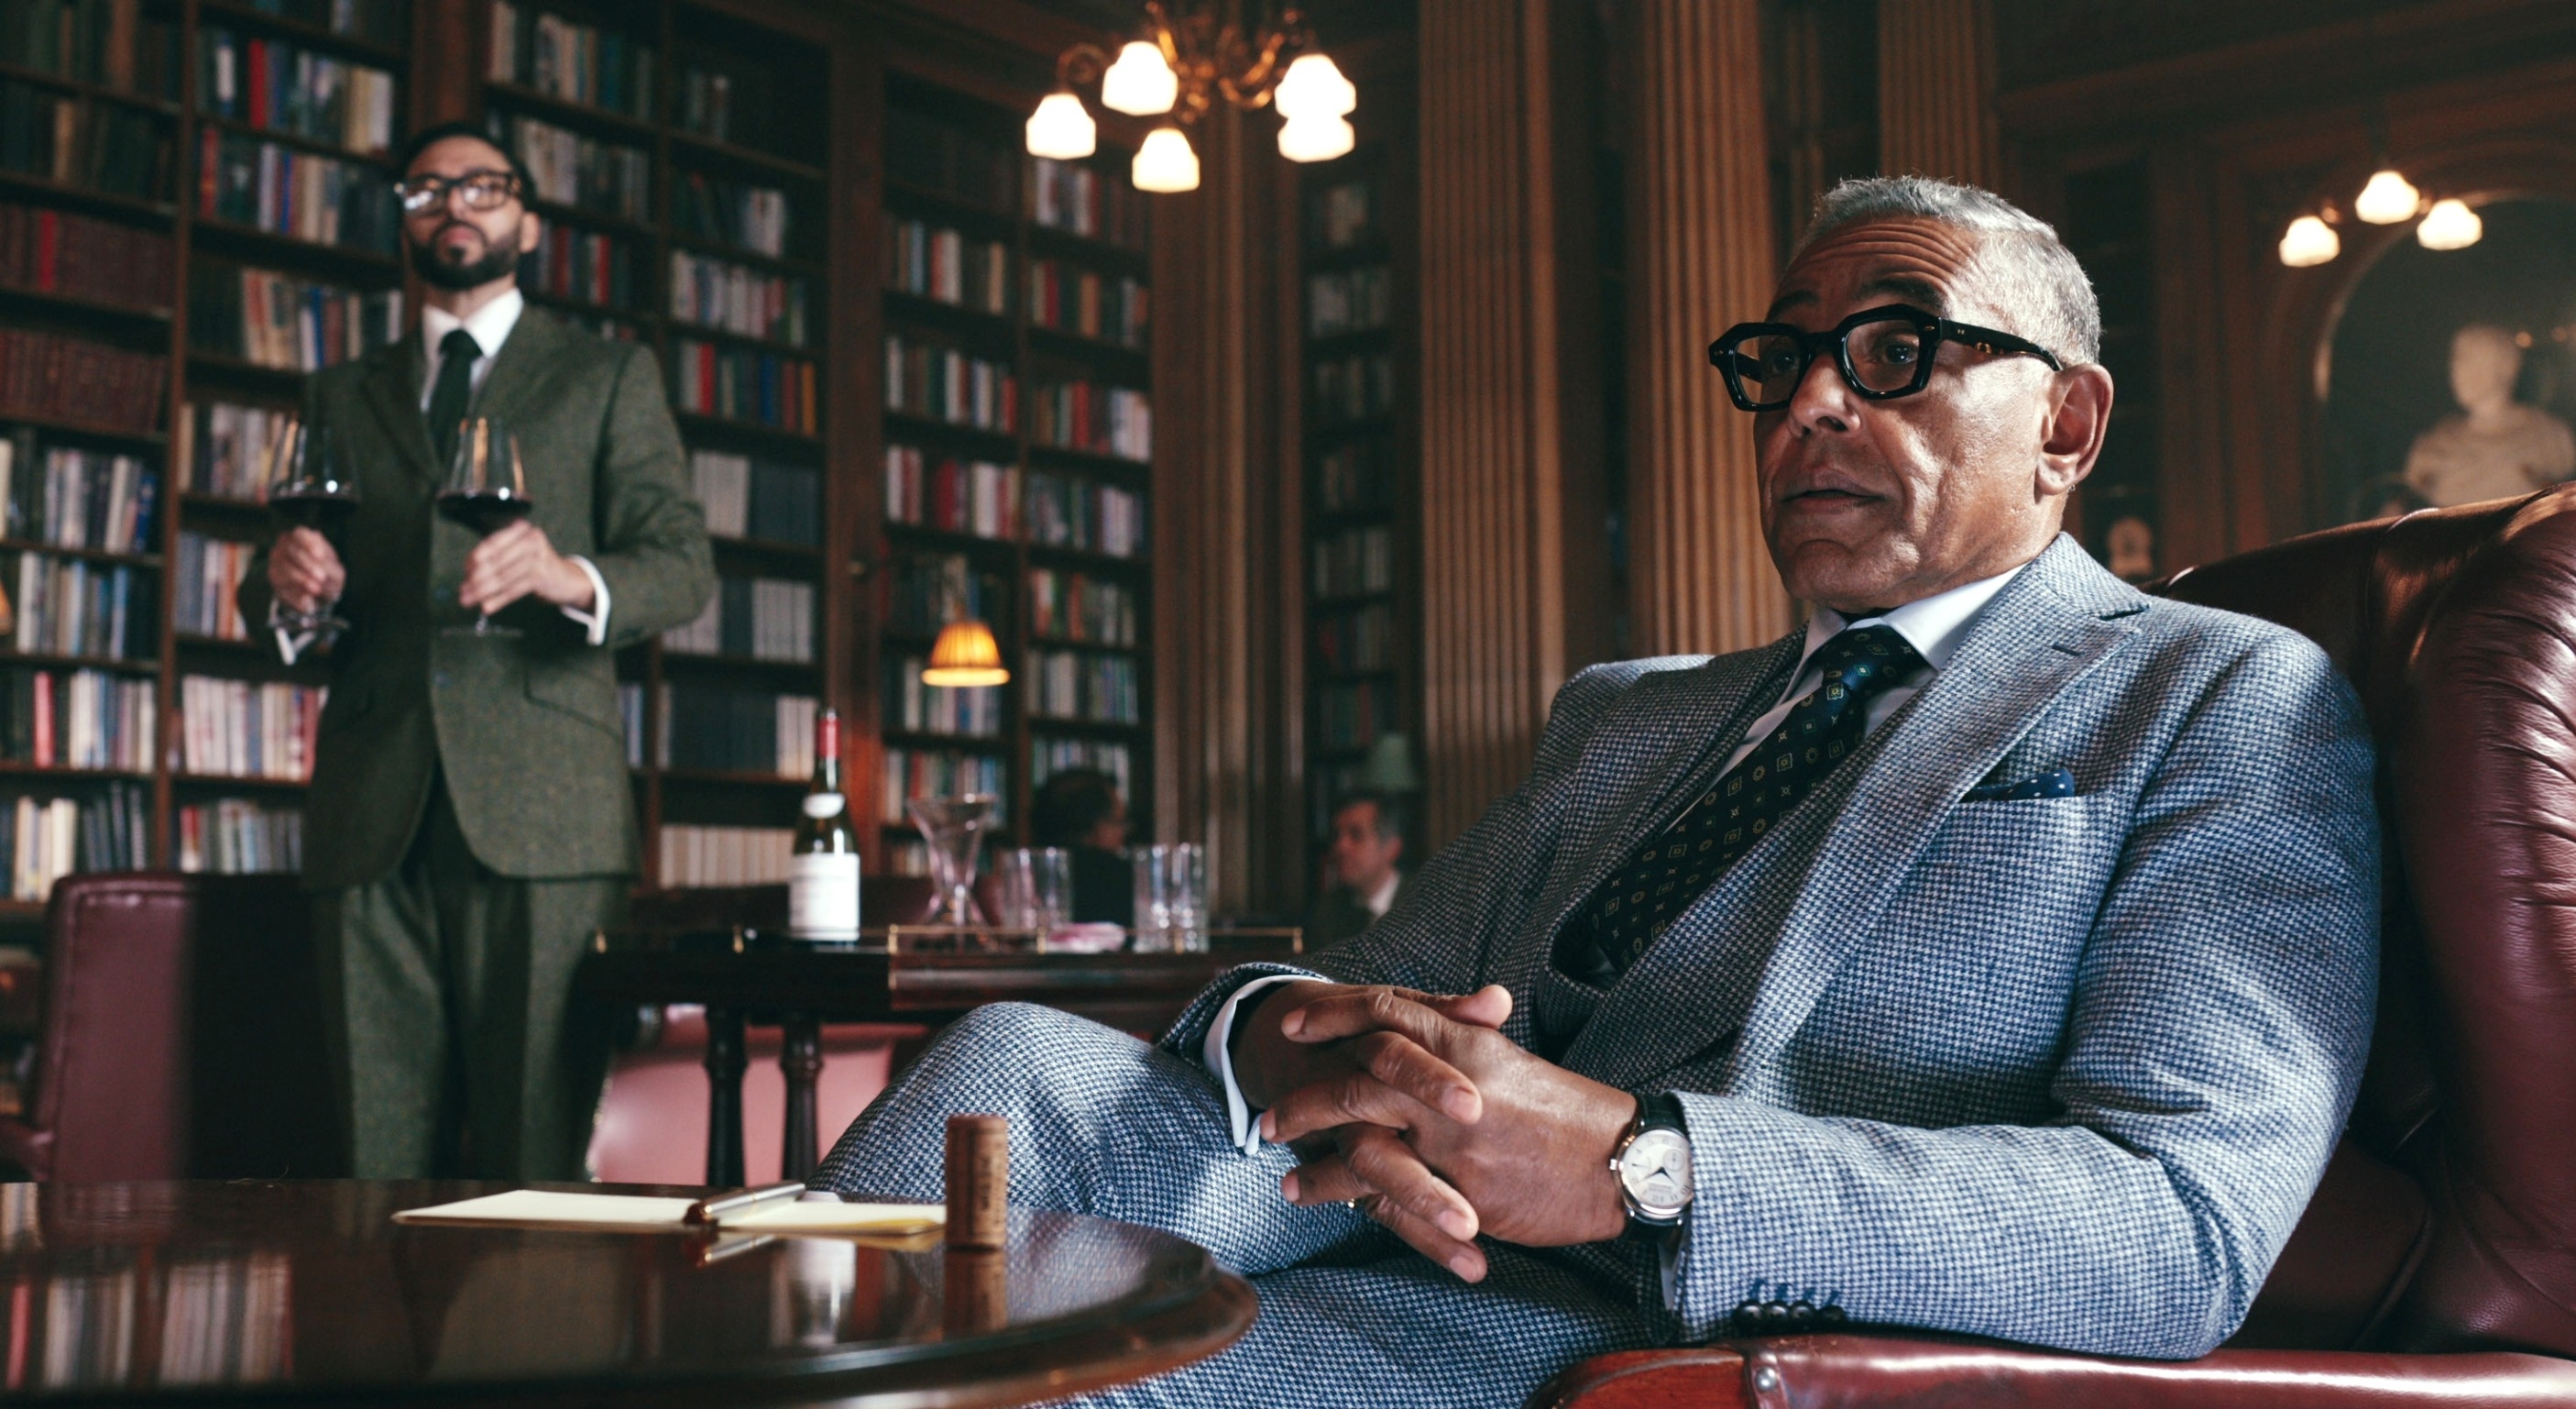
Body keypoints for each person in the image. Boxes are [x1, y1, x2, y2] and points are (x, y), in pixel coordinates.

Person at [813, 176, 2378, 1407]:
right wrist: (1272, 1018)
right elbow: (1379, 994)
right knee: (996, 1066)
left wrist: (1649, 1163)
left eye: (1897, 351)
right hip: (1353, 1213)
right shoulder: (1633, 715)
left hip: (1638, 1330)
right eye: (1782, 363)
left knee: (987, 1378)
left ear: (2068, 425)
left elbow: (2180, 1225)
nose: (1813, 404)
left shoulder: (2220, 696)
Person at [238, 120, 716, 1181]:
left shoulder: (605, 375)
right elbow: (268, 583)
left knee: (536, 1157)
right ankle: (368, 1354)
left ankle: (535, 1356)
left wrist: (564, 575)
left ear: (527, 222)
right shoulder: (339, 392)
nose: (454, 204)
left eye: (483, 186)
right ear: (402, 221)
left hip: (547, 809)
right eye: (426, 190)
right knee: (371, 1161)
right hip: (371, 806)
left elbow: (683, 565)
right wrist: (281, 586)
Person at [2403, 322, 2576, 507]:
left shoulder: (2549, 435)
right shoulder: (2436, 443)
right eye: (2455, 360)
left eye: (2468, 358)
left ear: (2503, 366)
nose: (2455, 370)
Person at [1030, 767, 1135, 928]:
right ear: (1096, 825)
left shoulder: (1027, 872)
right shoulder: (1120, 875)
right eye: (1119, 822)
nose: (1124, 832)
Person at [1300, 790, 1407, 947]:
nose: (1340, 847)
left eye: (1356, 835)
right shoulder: (1327, 913)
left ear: (1391, 848)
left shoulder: (1422, 906)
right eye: (1336, 836)